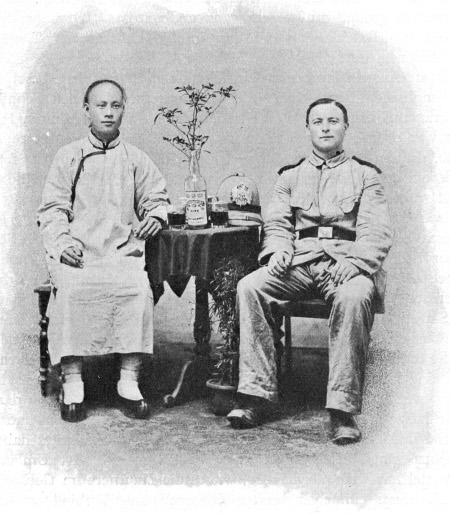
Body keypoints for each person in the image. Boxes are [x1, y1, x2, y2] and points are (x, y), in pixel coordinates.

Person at [227, 98, 393, 444]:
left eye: (333, 121)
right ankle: (256, 395)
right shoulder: (290, 176)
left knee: (355, 296)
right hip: (299, 262)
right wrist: (278, 250)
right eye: (318, 122)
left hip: (345, 263)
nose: (326, 128)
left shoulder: (366, 175)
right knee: (250, 286)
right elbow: (277, 223)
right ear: (307, 129)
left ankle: (342, 411)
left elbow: (376, 232)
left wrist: (355, 263)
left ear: (345, 127)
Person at [37, 79, 169, 422]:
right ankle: (73, 382)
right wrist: (63, 244)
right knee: (72, 291)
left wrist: (155, 216)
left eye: (115, 105)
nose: (108, 113)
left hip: (120, 252)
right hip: (78, 253)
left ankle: (129, 381)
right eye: (101, 105)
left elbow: (156, 197)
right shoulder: (68, 156)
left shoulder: (135, 158)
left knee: (137, 290)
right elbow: (52, 209)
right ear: (87, 110)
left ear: (123, 110)